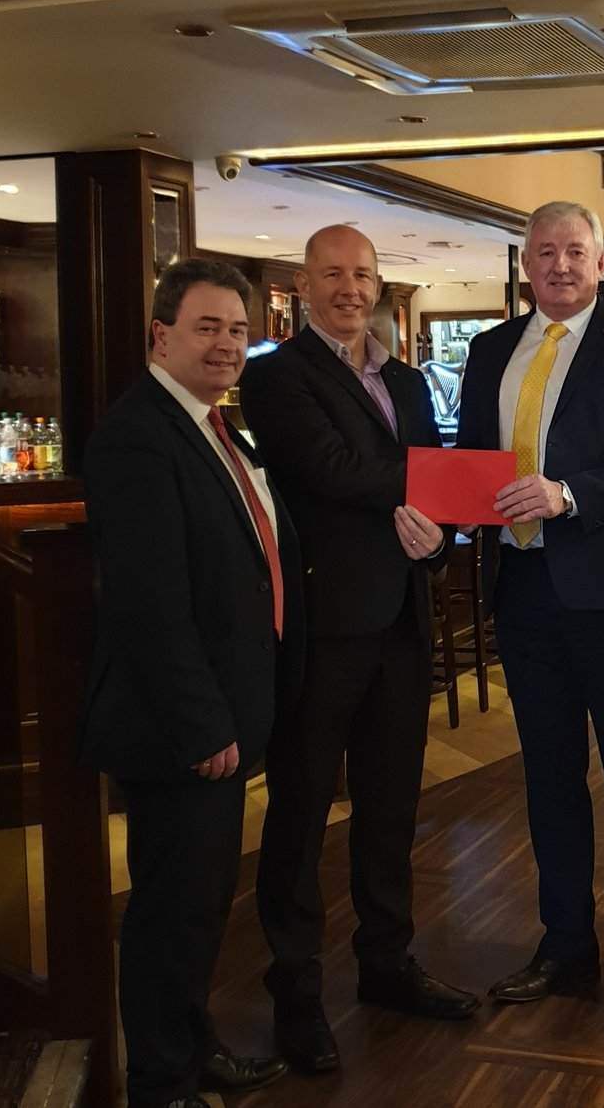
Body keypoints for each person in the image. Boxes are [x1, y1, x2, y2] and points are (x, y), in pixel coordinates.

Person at [239, 225, 479, 1076]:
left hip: (403, 625)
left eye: (363, 274)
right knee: (301, 813)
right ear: (303, 283)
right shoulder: (272, 375)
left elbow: (431, 513)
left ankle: (386, 963)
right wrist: (443, 487)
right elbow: (330, 468)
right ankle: (296, 989)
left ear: (380, 285)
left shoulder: (409, 382)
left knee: (390, 808)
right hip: (320, 628)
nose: (349, 288)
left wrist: (441, 533)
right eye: (332, 274)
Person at [78, 258, 304, 1108]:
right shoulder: (139, 435)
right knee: (170, 912)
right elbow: (149, 606)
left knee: (203, 903)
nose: (227, 344)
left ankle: (192, 1045)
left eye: (239, 330)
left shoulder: (212, 427)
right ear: (161, 335)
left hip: (227, 711)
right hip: (181, 728)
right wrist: (204, 723)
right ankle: (161, 1083)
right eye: (207, 327)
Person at [455, 201, 604, 1029]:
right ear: (524, 262)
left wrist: (569, 493)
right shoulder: (488, 351)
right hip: (520, 592)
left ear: (601, 260)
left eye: (574, 251)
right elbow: (470, 461)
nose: (558, 264)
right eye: (544, 251)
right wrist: (436, 507)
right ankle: (564, 945)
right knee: (548, 779)